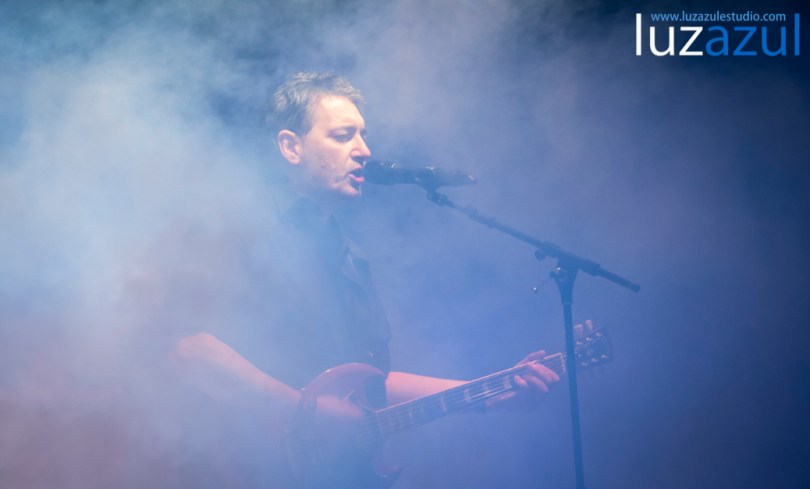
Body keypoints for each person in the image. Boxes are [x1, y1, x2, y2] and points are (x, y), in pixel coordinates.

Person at [168, 71, 560, 486]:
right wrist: (306, 412)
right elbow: (189, 347)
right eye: (343, 135)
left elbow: (372, 385)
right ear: (290, 147)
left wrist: (486, 393)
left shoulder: (350, 255)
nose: (365, 151)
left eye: (364, 136)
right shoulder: (234, 229)